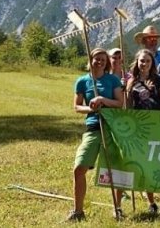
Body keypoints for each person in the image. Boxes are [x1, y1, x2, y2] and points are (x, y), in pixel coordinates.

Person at [66, 48, 125, 222]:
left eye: (103, 59)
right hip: (93, 128)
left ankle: (118, 208)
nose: (99, 62)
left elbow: (119, 104)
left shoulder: (112, 80)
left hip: (111, 128)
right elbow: (77, 106)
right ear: (90, 60)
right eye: (96, 59)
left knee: (117, 169)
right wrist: (90, 108)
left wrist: (102, 101)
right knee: (79, 168)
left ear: (106, 62)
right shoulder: (82, 81)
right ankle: (78, 211)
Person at [126, 49, 160, 214]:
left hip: (158, 130)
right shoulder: (132, 82)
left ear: (152, 63)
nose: (144, 64)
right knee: (145, 166)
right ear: (137, 62)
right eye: (141, 61)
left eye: (147, 61)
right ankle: (151, 203)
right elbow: (129, 107)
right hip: (141, 131)